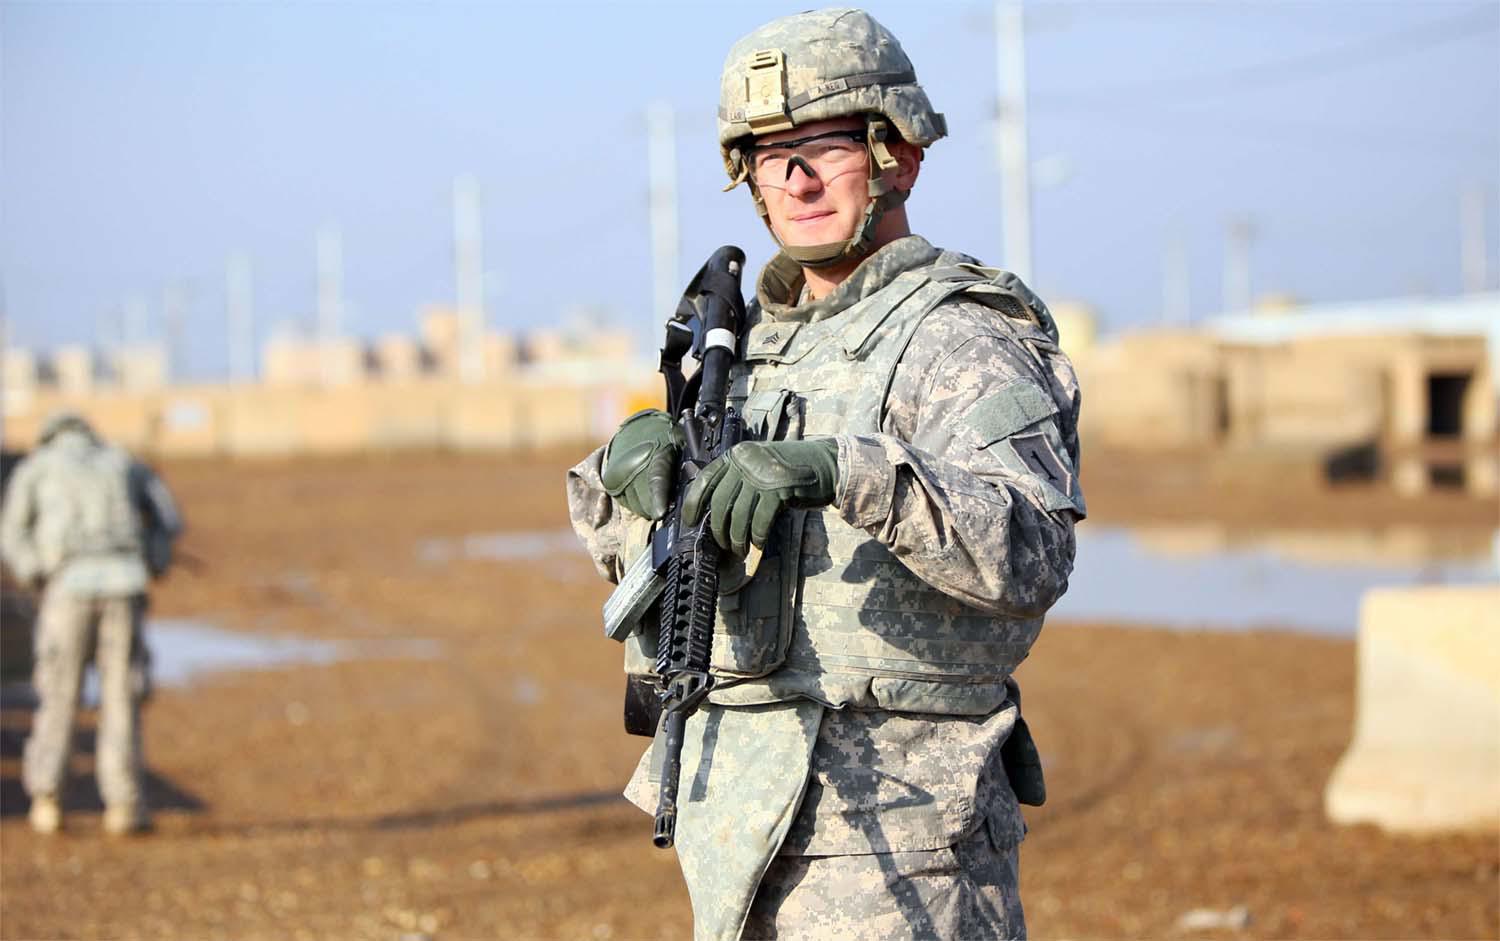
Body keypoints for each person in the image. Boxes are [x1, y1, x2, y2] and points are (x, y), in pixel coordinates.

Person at [567, 8, 1084, 939]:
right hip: (737, 821)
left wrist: (846, 472)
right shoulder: (741, 350)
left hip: (902, 838)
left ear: (899, 156)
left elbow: (1032, 548)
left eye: (826, 146)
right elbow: (642, 561)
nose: (797, 178)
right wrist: (624, 478)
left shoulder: (961, 335)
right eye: (771, 154)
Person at [1, 410, 182, 835]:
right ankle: (124, 805)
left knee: (58, 694)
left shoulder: (38, 467)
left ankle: (47, 799)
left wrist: (34, 571)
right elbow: (168, 520)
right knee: (122, 697)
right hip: (125, 586)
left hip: (67, 591)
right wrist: (155, 561)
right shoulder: (122, 461)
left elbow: (11, 533)